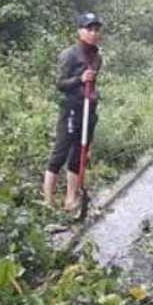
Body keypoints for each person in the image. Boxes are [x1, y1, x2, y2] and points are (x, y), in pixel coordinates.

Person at [41, 12, 104, 210]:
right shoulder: (69, 54)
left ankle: (70, 199)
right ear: (80, 31)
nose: (93, 33)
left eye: (96, 29)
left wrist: (92, 95)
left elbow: (92, 83)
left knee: (79, 155)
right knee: (60, 154)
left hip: (88, 110)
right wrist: (80, 79)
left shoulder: (97, 57)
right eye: (89, 29)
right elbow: (60, 83)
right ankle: (47, 201)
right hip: (71, 109)